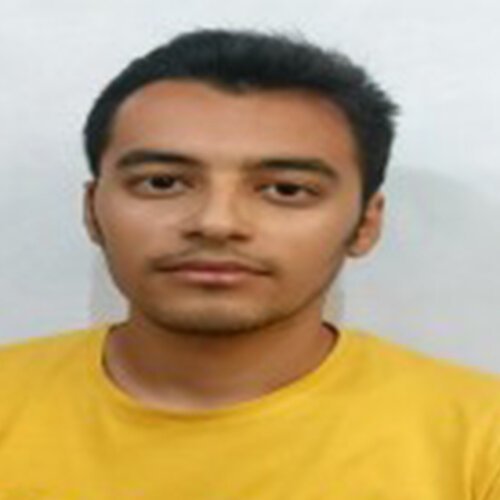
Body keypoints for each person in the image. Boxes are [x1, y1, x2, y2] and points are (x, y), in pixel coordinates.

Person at [0, 28, 498, 499]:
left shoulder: (480, 437)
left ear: (366, 223)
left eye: (286, 190)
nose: (216, 223)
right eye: (163, 182)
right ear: (92, 211)